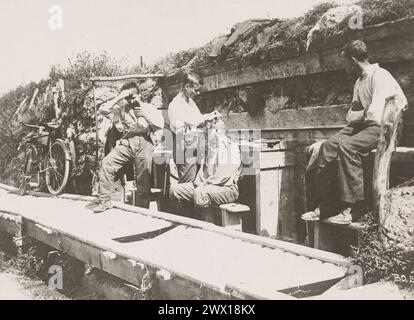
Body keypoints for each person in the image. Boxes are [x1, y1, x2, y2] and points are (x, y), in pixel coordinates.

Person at [301, 40, 407, 225]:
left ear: (352, 61)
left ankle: (355, 208)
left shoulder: (380, 76)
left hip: (386, 127)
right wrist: (362, 114)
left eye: (345, 64)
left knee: (347, 147)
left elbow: (375, 114)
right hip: (367, 125)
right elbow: (351, 115)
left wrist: (361, 114)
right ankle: (326, 206)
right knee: (327, 146)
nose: (345, 68)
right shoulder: (359, 82)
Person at [92, 82, 164, 213]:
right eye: (128, 97)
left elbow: (159, 125)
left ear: (139, 95)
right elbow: (103, 110)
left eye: (133, 96)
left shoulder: (148, 107)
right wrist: (120, 97)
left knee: (143, 181)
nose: (131, 100)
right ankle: (104, 201)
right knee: (107, 164)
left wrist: (144, 114)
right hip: (128, 141)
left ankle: (142, 212)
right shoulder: (122, 108)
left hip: (144, 142)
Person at [169, 119, 241, 221]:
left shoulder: (230, 147)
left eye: (208, 131)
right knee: (175, 190)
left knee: (200, 193)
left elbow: (223, 176)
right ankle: (187, 223)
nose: (205, 134)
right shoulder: (209, 147)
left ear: (216, 131)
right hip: (206, 186)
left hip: (226, 188)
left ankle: (207, 229)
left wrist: (202, 184)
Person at [168, 72, 221, 183]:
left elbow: (198, 118)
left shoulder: (190, 102)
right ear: (187, 86)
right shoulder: (176, 104)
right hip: (184, 149)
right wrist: (205, 119)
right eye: (195, 90)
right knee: (187, 184)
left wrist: (210, 116)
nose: (197, 93)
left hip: (194, 146)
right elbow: (185, 126)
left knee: (196, 182)